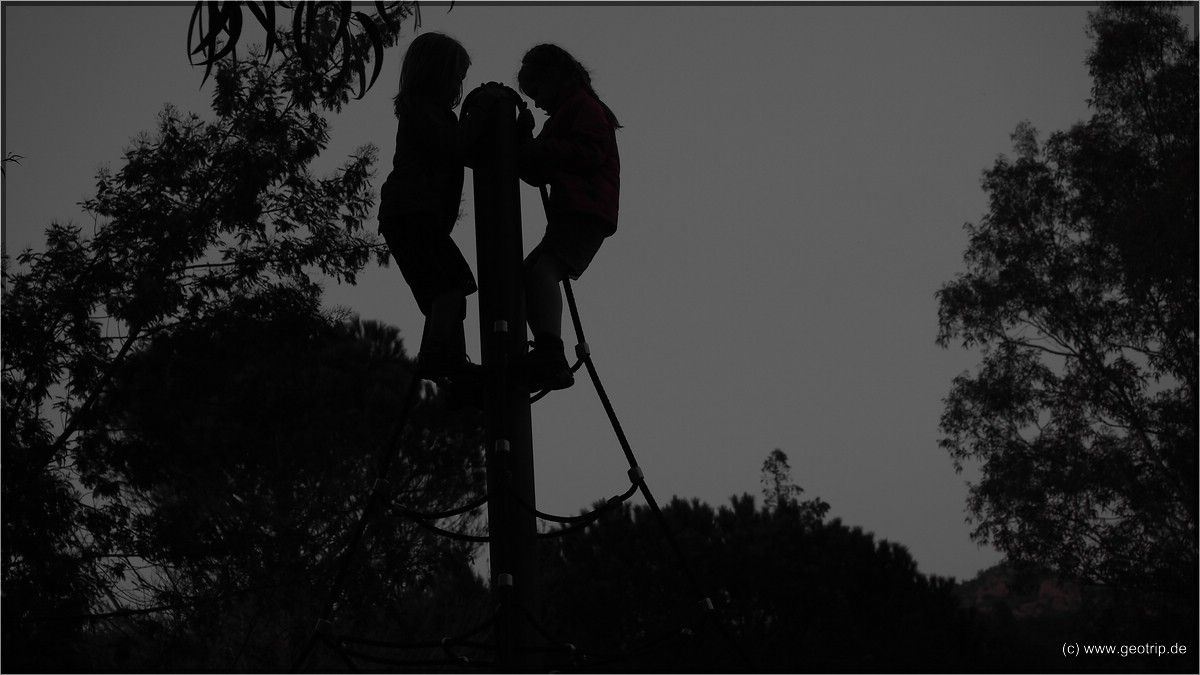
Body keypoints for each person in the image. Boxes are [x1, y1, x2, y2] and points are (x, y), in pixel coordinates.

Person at [377, 32, 481, 386]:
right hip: (412, 212)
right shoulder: (423, 109)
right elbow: (457, 147)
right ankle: (440, 356)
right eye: (456, 77)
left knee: (446, 295)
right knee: (451, 286)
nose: (458, 86)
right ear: (437, 74)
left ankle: (453, 369)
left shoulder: (425, 111)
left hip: (411, 214)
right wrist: (485, 117)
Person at [516, 44, 622, 392]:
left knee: (545, 270)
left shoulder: (585, 108)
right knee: (525, 276)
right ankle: (547, 353)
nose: (537, 102)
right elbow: (535, 170)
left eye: (538, 92)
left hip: (587, 210)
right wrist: (523, 142)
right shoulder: (563, 116)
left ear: (556, 78)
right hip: (571, 212)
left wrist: (539, 148)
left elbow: (590, 153)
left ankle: (550, 349)